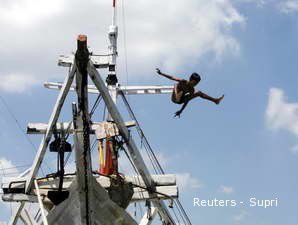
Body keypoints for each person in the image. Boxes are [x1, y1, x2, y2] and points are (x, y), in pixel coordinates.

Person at [156, 68, 224, 117]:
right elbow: (171, 77)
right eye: (194, 83)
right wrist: (161, 73)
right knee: (176, 84)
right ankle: (177, 94)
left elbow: (186, 101)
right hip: (174, 98)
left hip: (180, 101)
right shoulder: (183, 82)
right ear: (190, 79)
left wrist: (181, 111)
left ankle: (215, 100)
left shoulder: (192, 90)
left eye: (196, 84)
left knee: (199, 93)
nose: (195, 85)